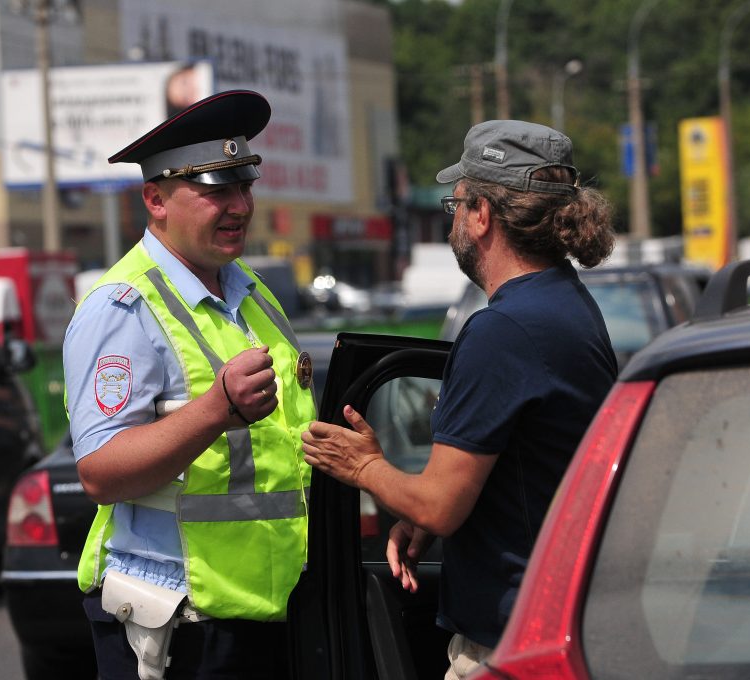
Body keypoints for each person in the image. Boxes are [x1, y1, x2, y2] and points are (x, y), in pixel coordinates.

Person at [300, 119, 618, 680]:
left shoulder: (504, 330)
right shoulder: (565, 304)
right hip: (552, 621)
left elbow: (441, 504)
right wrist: (428, 509)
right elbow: (519, 469)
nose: (454, 221)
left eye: (457, 204)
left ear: (483, 215)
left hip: (511, 644)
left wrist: (364, 466)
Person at [63, 89, 317, 680]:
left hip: (265, 612)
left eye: (245, 186)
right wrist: (216, 410)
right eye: (215, 191)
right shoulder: (122, 306)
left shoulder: (250, 290)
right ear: (155, 199)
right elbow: (99, 471)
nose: (239, 206)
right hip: (178, 624)